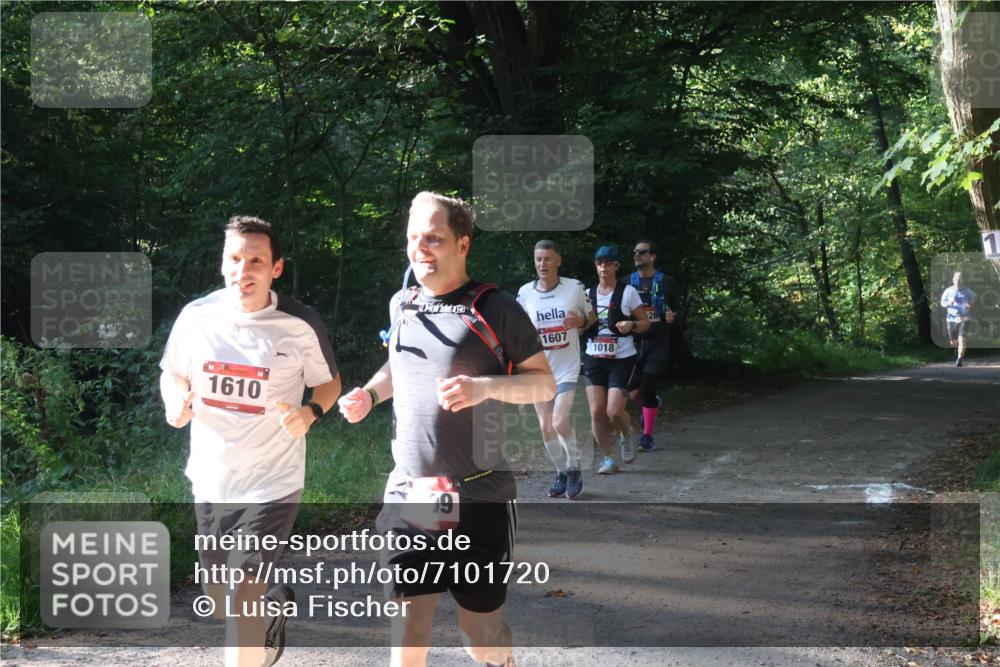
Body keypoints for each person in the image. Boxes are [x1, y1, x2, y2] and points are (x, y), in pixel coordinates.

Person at [338, 191, 555, 667]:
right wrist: (369, 395)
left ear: (462, 244)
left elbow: (543, 385)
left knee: (479, 637)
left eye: (434, 238)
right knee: (408, 629)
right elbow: (396, 366)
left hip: (479, 494)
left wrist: (484, 388)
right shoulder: (403, 302)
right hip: (412, 492)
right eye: (414, 238)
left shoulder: (496, 309)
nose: (421, 248)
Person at [159, 215, 341, 667]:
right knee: (219, 595)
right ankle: (272, 611)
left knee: (241, 590)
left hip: (273, 481)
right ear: (223, 264)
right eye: (235, 259)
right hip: (211, 478)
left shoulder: (300, 323)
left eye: (256, 260)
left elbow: (329, 384)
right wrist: (174, 402)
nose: (244, 269)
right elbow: (172, 372)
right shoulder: (196, 316)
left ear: (275, 267)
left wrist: (310, 412)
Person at [516, 240, 596, 499]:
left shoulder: (574, 288)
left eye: (548, 259)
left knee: (559, 420)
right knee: (546, 427)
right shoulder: (525, 293)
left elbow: (591, 318)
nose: (542, 264)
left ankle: (574, 469)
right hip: (538, 370)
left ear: (558, 261)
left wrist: (581, 321)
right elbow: (517, 334)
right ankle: (561, 472)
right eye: (538, 259)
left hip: (567, 367)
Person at [581, 245, 650, 475]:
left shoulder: (628, 292)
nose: (603, 267)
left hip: (621, 357)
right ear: (595, 265)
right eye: (600, 262)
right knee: (596, 412)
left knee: (613, 411)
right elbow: (580, 325)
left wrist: (631, 324)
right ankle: (609, 459)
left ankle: (626, 432)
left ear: (616, 266)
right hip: (593, 356)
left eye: (608, 263)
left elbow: (645, 323)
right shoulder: (587, 294)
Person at [627, 240, 683, 451]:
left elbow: (679, 311)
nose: (637, 256)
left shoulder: (667, 282)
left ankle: (647, 437)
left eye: (642, 252)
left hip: (658, 341)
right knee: (633, 393)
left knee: (649, 383)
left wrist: (673, 318)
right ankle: (652, 405)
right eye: (635, 253)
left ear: (653, 256)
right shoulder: (626, 282)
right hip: (633, 342)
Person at [940, 270, 976, 367]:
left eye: (960, 279)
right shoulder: (948, 291)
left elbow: (973, 300)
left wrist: (969, 304)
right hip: (951, 319)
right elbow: (942, 303)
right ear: (953, 280)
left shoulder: (967, 291)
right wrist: (948, 303)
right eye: (956, 279)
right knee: (953, 342)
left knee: (962, 339)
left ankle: (959, 359)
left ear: (963, 280)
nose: (958, 280)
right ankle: (959, 348)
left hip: (965, 318)